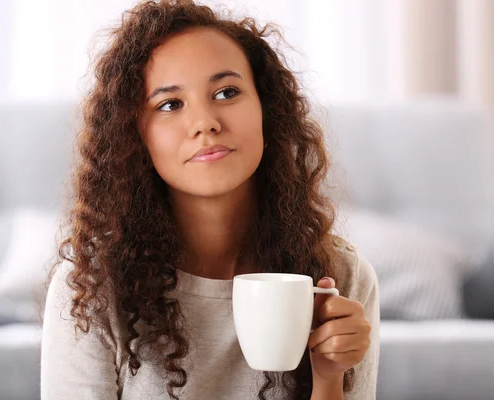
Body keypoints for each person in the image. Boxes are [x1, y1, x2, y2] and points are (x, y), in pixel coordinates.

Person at [40, 1, 379, 399]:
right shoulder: (93, 289)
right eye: (170, 104)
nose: (205, 122)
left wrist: (328, 377)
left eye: (226, 92)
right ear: (135, 138)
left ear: (267, 111)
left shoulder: (340, 277)